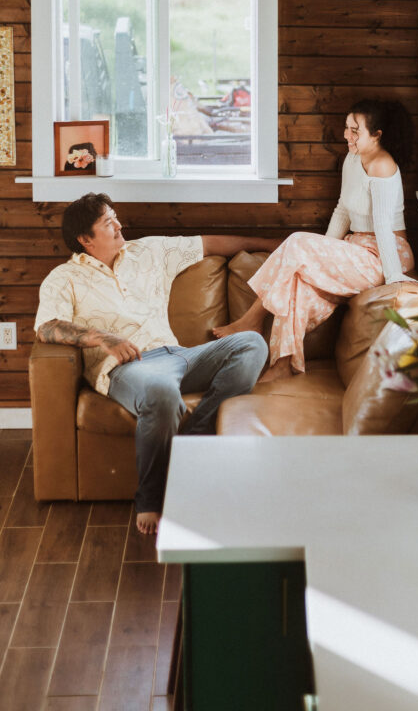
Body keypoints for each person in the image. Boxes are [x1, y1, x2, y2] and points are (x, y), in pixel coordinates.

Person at [34, 193, 278, 535]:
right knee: (162, 391)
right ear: (85, 239)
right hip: (128, 368)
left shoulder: (149, 251)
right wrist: (103, 338)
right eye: (109, 223)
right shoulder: (64, 278)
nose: (120, 226)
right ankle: (151, 498)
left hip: (179, 355)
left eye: (116, 217)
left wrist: (281, 244)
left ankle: (191, 442)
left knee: (251, 343)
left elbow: (215, 243)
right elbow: (47, 327)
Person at [213, 98, 415, 380]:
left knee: (296, 241)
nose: (347, 135)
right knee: (297, 281)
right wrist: (326, 248)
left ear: (377, 135)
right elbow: (343, 209)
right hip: (356, 246)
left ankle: (251, 320)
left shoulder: (383, 166)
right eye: (347, 128)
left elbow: (382, 226)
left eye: (355, 130)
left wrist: (394, 276)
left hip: (385, 253)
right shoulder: (353, 158)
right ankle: (283, 364)